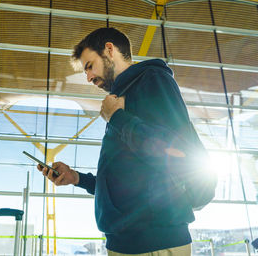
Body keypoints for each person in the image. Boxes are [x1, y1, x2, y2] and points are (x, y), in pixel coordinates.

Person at [37, 27, 207, 255]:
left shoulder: (152, 80)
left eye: (89, 66)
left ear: (109, 50)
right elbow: (126, 181)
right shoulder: (119, 98)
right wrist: (77, 179)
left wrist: (117, 118)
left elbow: (177, 152)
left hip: (155, 241)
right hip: (124, 242)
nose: (88, 78)